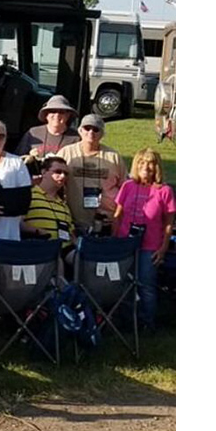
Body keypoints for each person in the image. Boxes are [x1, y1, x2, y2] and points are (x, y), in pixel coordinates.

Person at [113, 148, 175, 331]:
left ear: (157, 167)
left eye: (150, 163)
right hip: (125, 243)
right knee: (123, 283)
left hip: (150, 246)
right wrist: (114, 241)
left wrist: (163, 248)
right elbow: (117, 215)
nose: (146, 167)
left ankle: (146, 323)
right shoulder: (127, 186)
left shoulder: (165, 191)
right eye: (141, 162)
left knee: (146, 285)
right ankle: (126, 321)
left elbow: (169, 223)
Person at [57, 114, 125, 235]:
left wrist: (117, 216)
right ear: (80, 131)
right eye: (87, 128)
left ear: (102, 134)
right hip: (73, 220)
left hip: (106, 221)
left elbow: (125, 188)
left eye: (96, 129)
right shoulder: (67, 153)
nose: (91, 132)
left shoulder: (113, 156)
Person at [22, 154, 76, 260]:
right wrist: (38, 231)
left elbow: (71, 233)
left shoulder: (63, 204)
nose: (63, 176)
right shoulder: (29, 195)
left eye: (65, 173)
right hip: (39, 247)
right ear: (44, 172)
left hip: (65, 249)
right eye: (58, 172)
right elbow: (18, 223)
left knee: (86, 259)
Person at [15, 94, 81, 157]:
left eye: (61, 112)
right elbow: (19, 157)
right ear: (46, 115)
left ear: (68, 116)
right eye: (53, 111)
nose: (57, 115)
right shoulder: (33, 133)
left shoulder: (76, 138)